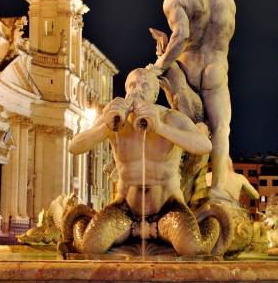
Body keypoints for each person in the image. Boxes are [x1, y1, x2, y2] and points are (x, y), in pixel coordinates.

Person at [67, 67, 231, 255]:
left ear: (154, 95)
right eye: (133, 85)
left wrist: (160, 127)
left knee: (192, 248)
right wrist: (106, 126)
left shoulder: (171, 118)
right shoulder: (114, 119)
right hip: (125, 208)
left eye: (145, 85)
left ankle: (207, 221)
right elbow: (74, 146)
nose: (138, 89)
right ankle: (87, 220)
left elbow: (204, 145)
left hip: (167, 207)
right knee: (90, 246)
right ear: (126, 90)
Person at [152, 0, 236, 201]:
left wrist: (159, 64)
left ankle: (176, 186)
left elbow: (181, 37)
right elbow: (224, 36)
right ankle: (218, 188)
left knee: (180, 129)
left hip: (188, 67)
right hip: (217, 67)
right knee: (221, 128)